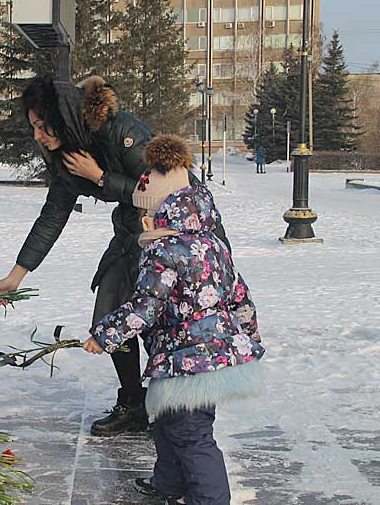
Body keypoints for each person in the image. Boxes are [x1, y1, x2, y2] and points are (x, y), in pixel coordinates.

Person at [0, 74, 230, 436]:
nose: (38, 136)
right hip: (133, 234)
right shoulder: (68, 155)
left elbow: (168, 192)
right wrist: (17, 274)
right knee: (112, 307)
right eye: (33, 128)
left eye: (41, 126)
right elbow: (52, 215)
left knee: (165, 322)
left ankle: (176, 411)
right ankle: (133, 404)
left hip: (180, 236)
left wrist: (101, 177)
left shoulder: (121, 130)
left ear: (64, 116)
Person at [83, 135, 265, 505]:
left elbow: (144, 307)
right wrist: (247, 337)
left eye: (144, 215)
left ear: (157, 213)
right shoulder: (212, 244)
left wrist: (104, 336)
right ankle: (169, 484)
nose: (142, 223)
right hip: (204, 358)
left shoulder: (164, 252)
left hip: (190, 363)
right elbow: (241, 296)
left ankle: (210, 499)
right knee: (166, 424)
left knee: (191, 435)